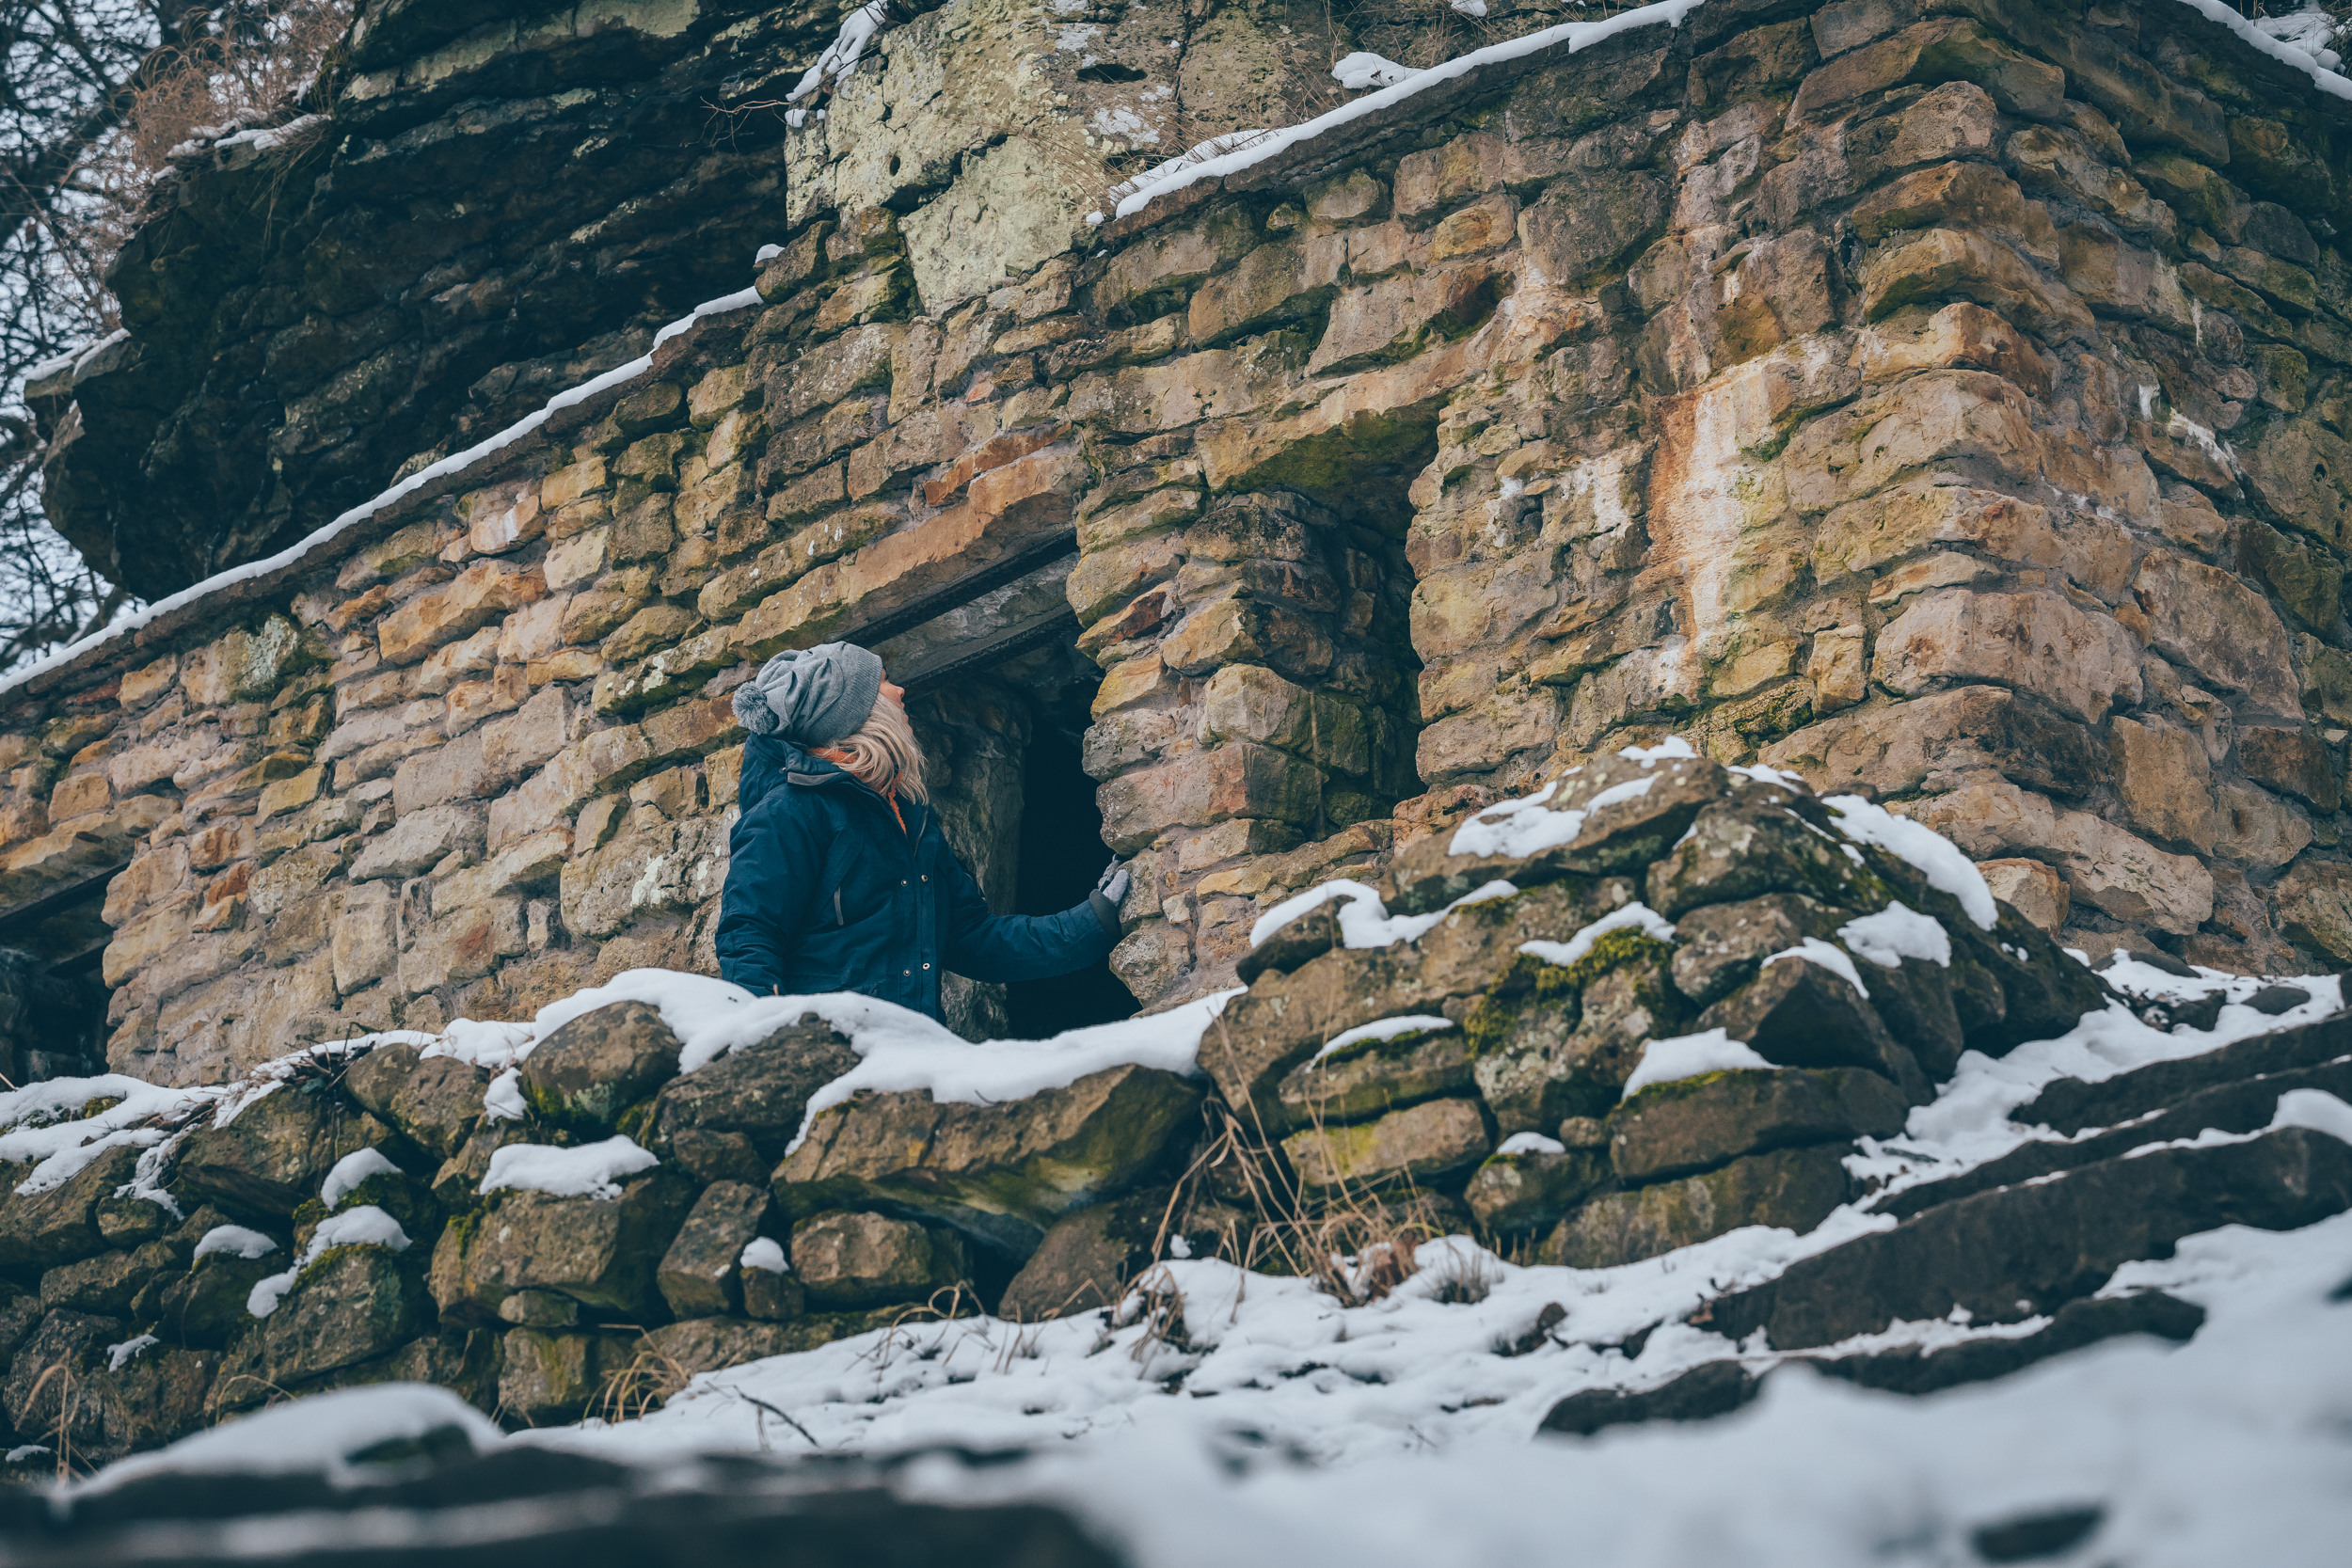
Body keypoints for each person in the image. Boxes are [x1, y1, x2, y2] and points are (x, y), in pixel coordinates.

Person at [715, 641, 1129, 1022]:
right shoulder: (788, 812)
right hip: (833, 1071)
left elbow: (972, 938)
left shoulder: (910, 818)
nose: (900, 692)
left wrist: (1094, 921)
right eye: (884, 683)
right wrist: (772, 1055)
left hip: (913, 1064)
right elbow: (749, 940)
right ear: (850, 712)